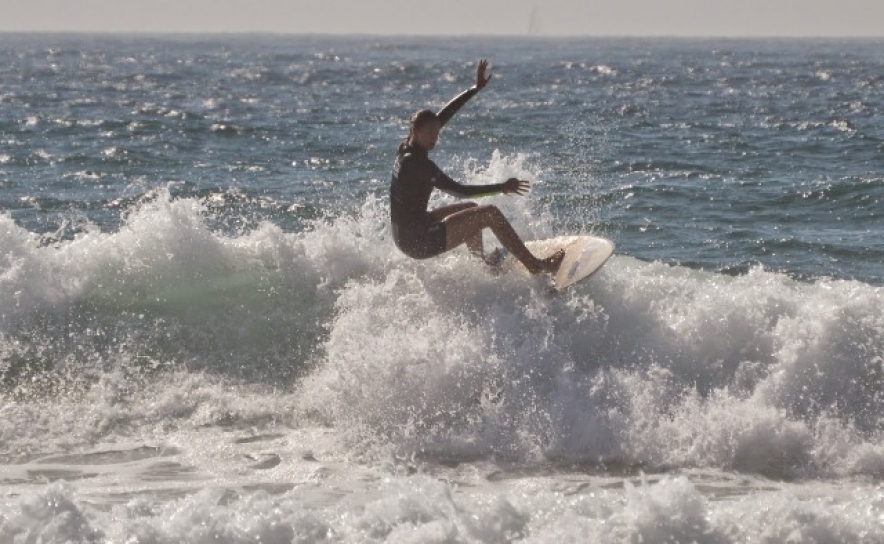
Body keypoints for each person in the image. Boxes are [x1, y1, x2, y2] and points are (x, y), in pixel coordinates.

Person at [390, 59, 564, 275]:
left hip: (408, 234)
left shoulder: (406, 148)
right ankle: (536, 266)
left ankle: (483, 265)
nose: (434, 138)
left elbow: (443, 115)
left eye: (436, 132)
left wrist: (474, 89)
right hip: (419, 240)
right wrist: (501, 187)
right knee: (489, 213)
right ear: (416, 132)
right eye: (429, 134)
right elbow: (459, 190)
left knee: (471, 209)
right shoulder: (418, 164)